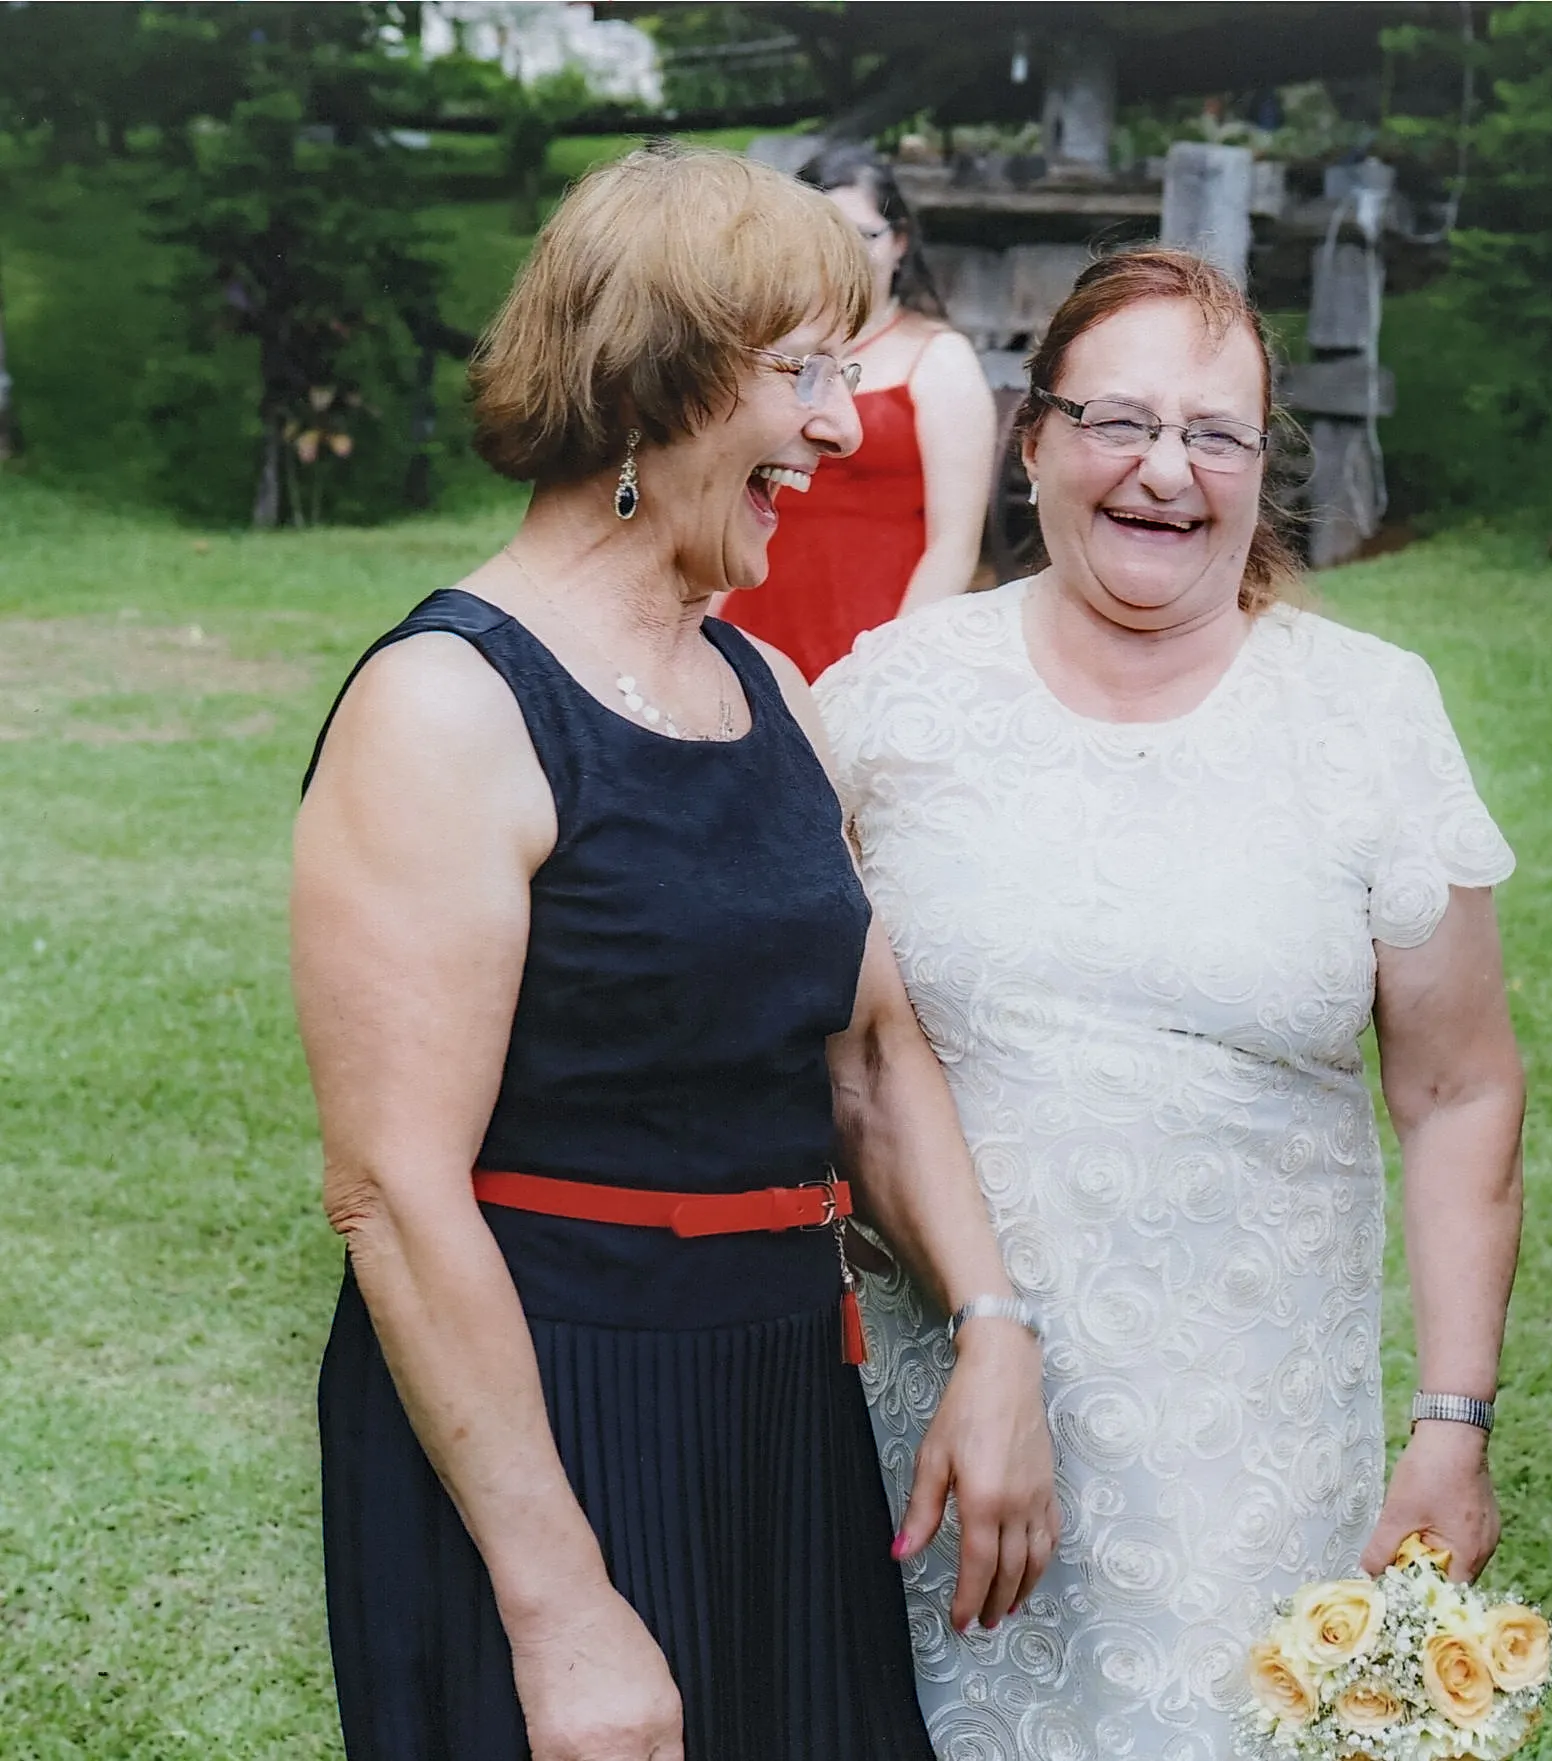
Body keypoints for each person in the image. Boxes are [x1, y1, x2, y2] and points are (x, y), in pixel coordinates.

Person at [295, 144, 1056, 1761]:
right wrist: (559, 1600)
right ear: (655, 385)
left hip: (777, 1406)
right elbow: (392, 1194)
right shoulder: (446, 708)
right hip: (544, 1425)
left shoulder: (771, 691)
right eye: (803, 375)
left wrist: (990, 1323)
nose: (845, 429)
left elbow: (868, 1055)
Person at [815, 247, 1527, 1760]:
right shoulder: (890, 699)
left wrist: (1451, 1424)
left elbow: (1458, 1093)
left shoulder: (1368, 714)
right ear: (1034, 440)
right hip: (937, 1435)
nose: (1163, 472)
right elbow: (819, 1048)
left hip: (1251, 1466)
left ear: (1262, 467)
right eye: (1116, 422)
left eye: (1214, 434)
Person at [721, 143, 997, 678]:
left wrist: (889, 671)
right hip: (754, 615)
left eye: (863, 235)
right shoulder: (765, 351)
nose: (843, 252)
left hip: (874, 631)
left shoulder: (940, 358)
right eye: (824, 234)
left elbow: (954, 546)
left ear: (898, 242)